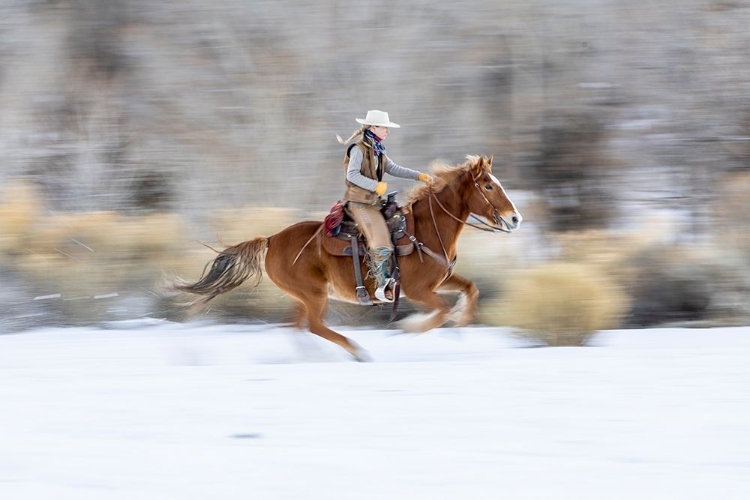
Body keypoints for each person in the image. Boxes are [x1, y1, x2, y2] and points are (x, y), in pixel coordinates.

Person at [337, 110, 432, 302]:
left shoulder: (378, 149)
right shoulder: (358, 149)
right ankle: (381, 285)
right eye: (384, 127)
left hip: (373, 202)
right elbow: (352, 175)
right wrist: (375, 185)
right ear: (373, 127)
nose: (387, 131)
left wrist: (418, 175)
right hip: (359, 202)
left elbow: (393, 168)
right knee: (381, 242)